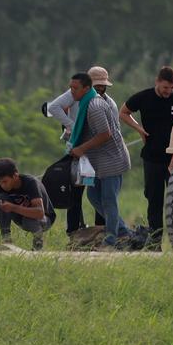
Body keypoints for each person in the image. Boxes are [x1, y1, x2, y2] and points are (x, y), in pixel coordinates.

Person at [120, 66, 173, 246]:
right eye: (165, 87)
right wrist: (139, 129)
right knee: (154, 199)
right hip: (152, 157)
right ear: (157, 82)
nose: (169, 91)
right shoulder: (144, 97)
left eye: (172, 88)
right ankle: (155, 241)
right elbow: (123, 112)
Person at [45, 66, 114, 234]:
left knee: (100, 194)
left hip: (99, 154)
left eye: (102, 85)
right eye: (96, 85)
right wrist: (73, 126)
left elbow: (112, 129)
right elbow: (52, 108)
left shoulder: (108, 102)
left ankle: (101, 232)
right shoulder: (74, 95)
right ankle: (74, 232)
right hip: (78, 152)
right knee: (75, 194)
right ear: (88, 85)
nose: (100, 88)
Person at [68, 72, 131, 249]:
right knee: (93, 195)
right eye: (70, 87)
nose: (72, 91)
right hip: (97, 162)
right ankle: (123, 231)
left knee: (109, 200)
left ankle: (111, 240)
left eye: (75, 88)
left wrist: (81, 148)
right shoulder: (86, 102)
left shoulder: (95, 106)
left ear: (87, 88)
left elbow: (105, 134)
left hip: (111, 160)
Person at [0, 158, 56, 251]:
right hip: (21, 217)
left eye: (5, 181)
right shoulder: (0, 189)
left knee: (29, 220)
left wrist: (13, 207)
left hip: (44, 219)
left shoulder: (31, 183)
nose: (2, 185)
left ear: (15, 176)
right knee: (1, 198)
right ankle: (6, 240)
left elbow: (40, 213)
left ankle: (38, 246)